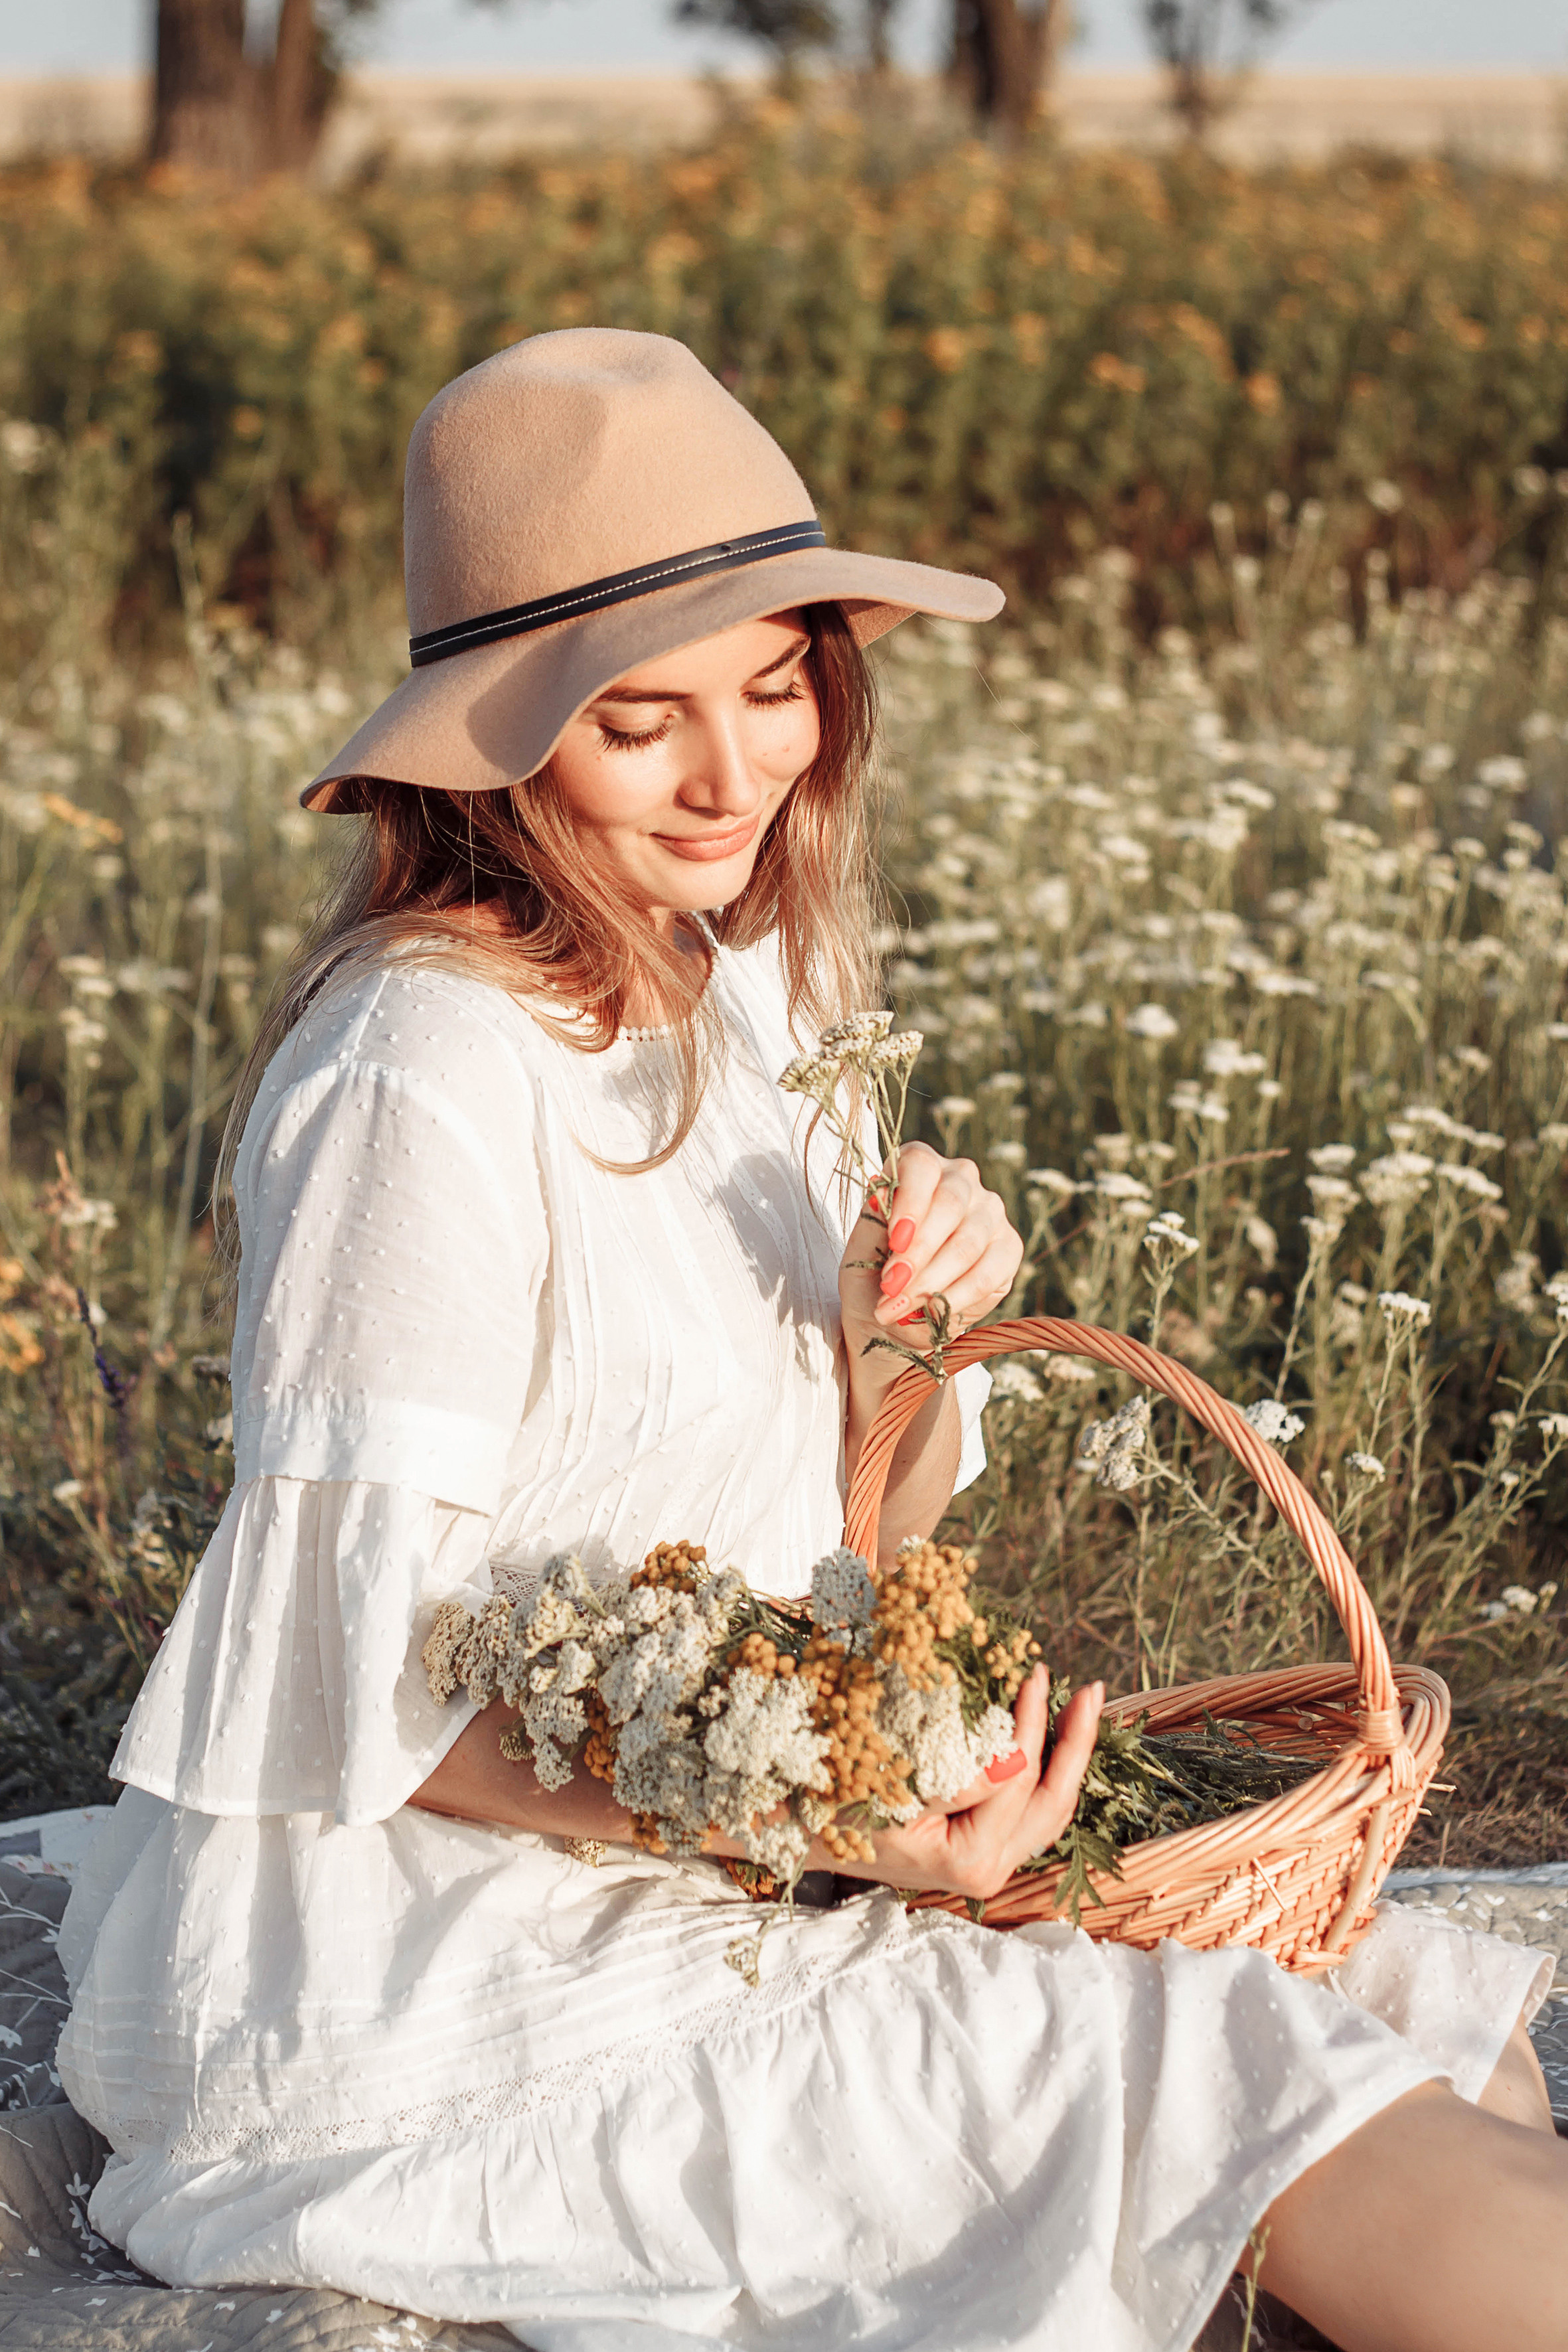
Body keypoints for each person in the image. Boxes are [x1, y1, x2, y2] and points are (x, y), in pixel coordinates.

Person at [57, 330, 1565, 2352]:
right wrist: (843, 1834)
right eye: (637, 722)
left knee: (1424, 2028)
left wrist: (902, 1348)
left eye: (774, 689)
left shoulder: (755, 998)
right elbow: (352, 1685)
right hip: (453, 1971)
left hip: (756, 1845)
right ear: (498, 747)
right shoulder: (420, 1063)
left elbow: (867, 1526)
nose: (731, 775)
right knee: (1281, 2105)